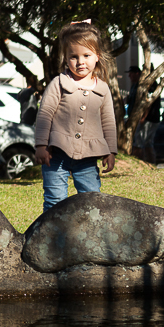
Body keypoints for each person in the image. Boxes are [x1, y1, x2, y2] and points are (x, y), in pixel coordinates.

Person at [33, 21, 118, 212]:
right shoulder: (58, 84)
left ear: (97, 57)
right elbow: (45, 113)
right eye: (73, 57)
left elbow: (109, 122)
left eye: (86, 55)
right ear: (65, 58)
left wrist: (111, 151)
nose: (80, 62)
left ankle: (90, 235)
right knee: (54, 200)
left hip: (89, 156)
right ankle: (52, 237)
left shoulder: (102, 89)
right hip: (55, 154)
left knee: (91, 199)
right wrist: (41, 145)